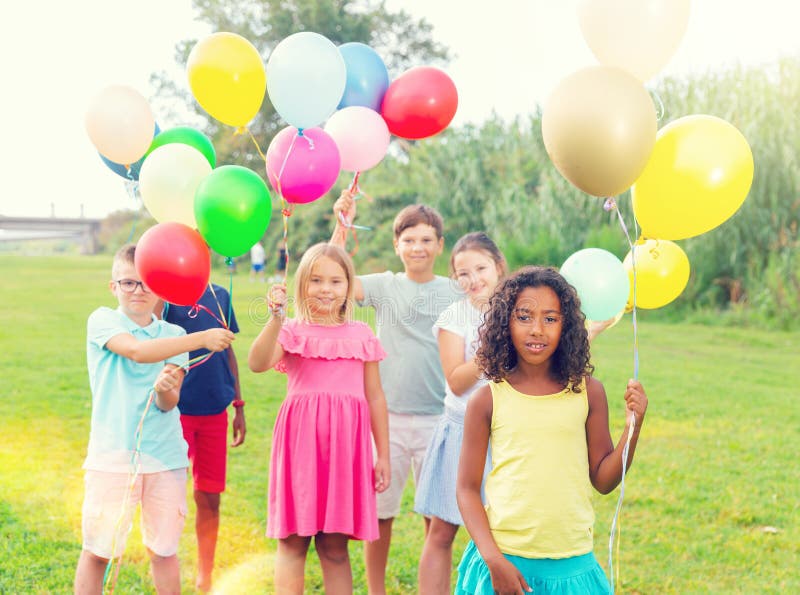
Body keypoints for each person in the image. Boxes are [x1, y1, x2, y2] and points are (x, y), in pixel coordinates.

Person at [455, 266, 648, 595]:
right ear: (505, 323)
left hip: (571, 562)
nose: (537, 330)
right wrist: (493, 560)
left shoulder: (589, 392)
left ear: (568, 326)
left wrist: (633, 427)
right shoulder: (486, 399)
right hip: (504, 562)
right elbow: (467, 489)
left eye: (550, 318)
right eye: (524, 316)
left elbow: (603, 480)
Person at [74, 244, 235, 595]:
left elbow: (168, 403)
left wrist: (165, 387)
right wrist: (204, 338)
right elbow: (136, 351)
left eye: (145, 283)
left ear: (160, 288)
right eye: (127, 283)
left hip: (164, 458)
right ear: (113, 287)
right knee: (99, 551)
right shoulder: (103, 320)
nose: (137, 291)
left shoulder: (174, 335)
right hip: (112, 457)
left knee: (164, 550)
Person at [331, 190, 462, 594]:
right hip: (384, 424)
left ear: (440, 245)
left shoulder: (456, 290)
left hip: (439, 421)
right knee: (380, 516)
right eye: (408, 240)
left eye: (426, 239)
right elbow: (330, 273)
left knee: (436, 519)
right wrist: (342, 224)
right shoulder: (385, 286)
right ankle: (376, 589)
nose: (417, 247)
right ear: (396, 245)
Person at [248, 242, 391, 594]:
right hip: (301, 448)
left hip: (346, 450)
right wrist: (276, 319)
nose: (326, 289)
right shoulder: (292, 330)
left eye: (335, 281)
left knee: (334, 547)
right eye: (316, 280)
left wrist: (383, 454)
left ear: (348, 287)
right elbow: (257, 362)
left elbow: (374, 396)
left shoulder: (362, 335)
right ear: (301, 285)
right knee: (293, 543)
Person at [414, 232, 507, 594]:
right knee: (442, 530)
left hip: (508, 433)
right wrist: (493, 348)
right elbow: (456, 381)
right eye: (463, 273)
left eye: (481, 268)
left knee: (502, 533)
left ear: (498, 267)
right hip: (462, 432)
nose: (474, 279)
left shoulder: (519, 310)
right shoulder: (455, 315)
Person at [163, 284, 244, 593]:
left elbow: (229, 350)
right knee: (168, 498)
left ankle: (204, 575)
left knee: (209, 497)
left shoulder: (220, 295)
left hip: (214, 410)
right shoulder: (164, 295)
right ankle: (164, 564)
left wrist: (238, 404)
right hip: (175, 412)